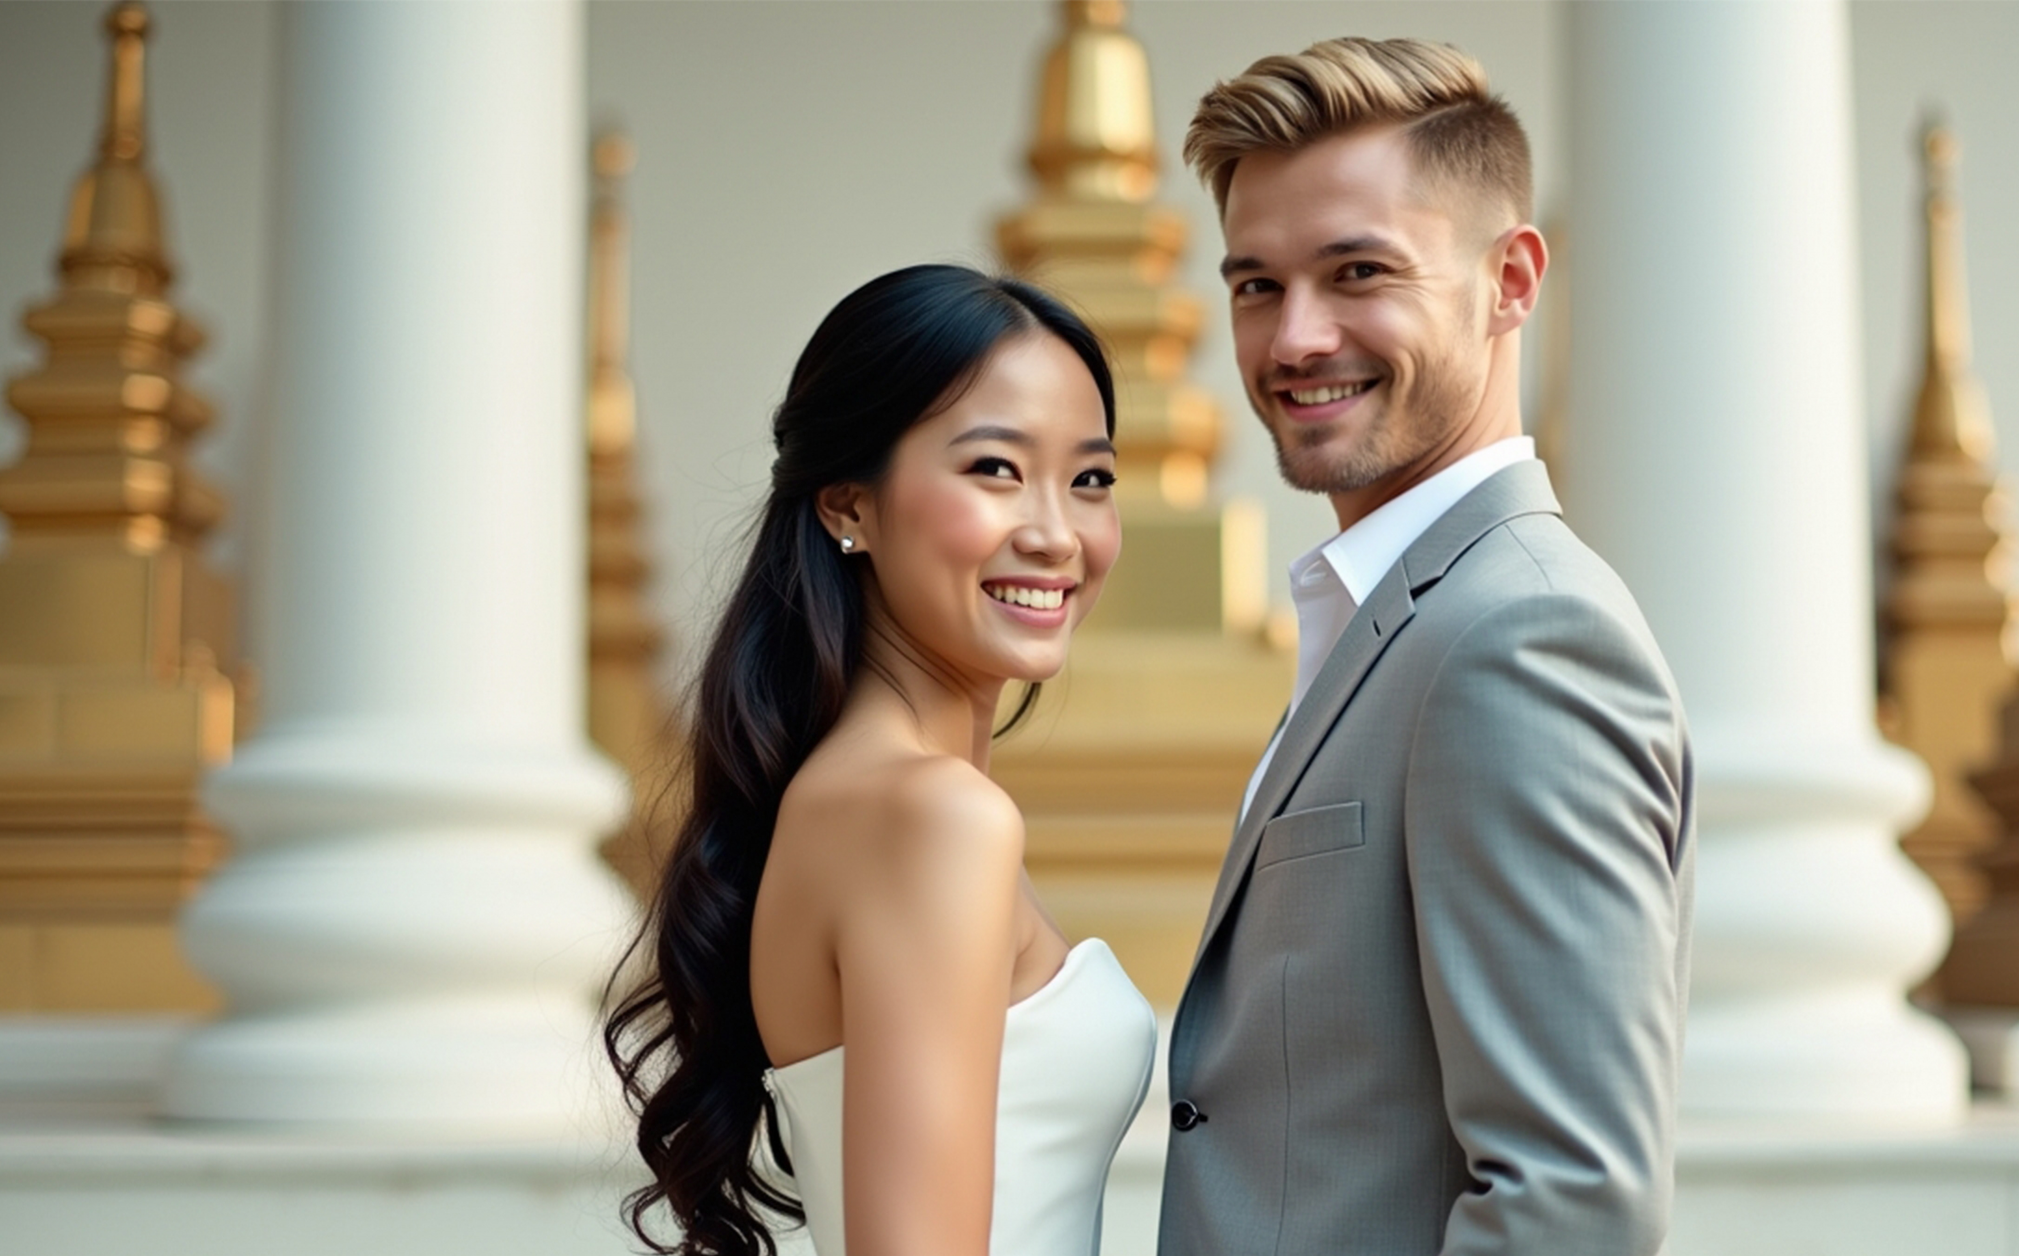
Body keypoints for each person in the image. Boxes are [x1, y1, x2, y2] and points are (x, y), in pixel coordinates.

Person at [1159, 38, 1696, 1256]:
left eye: (1358, 272)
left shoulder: (1520, 637)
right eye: (1256, 284)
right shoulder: (1389, 615)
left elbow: (1574, 1201)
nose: (1295, 337)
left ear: (1510, 279)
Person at [605, 264, 1156, 1256]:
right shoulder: (931, 815)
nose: (1055, 531)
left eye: (1091, 478)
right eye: (995, 468)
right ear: (848, 505)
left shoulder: (863, 797)